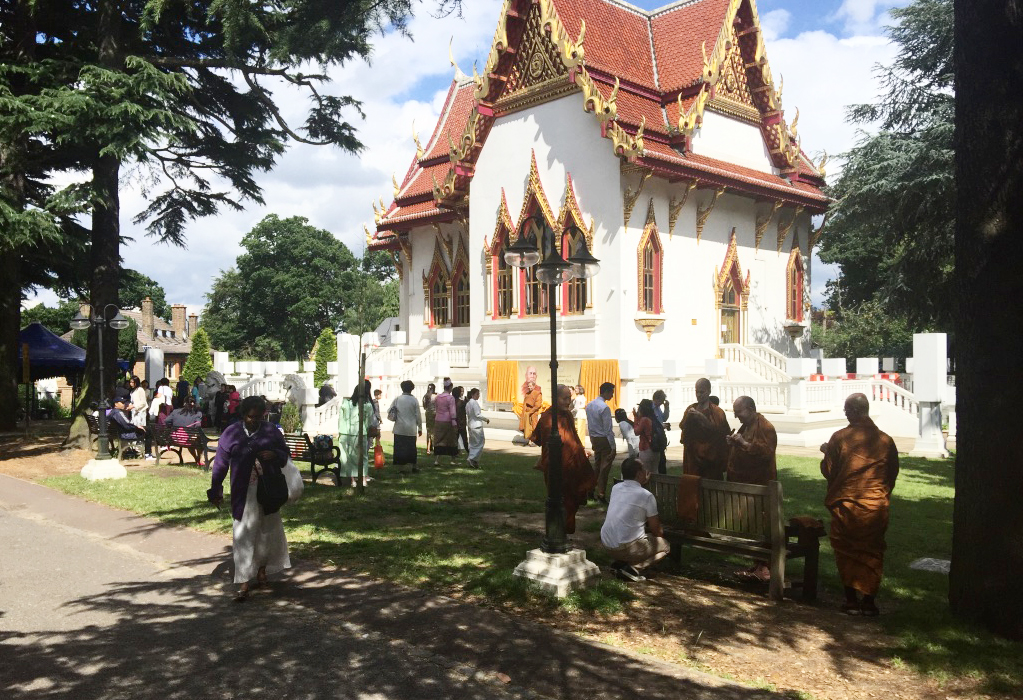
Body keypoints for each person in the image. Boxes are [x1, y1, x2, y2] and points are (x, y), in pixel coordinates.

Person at [820, 393, 899, 616]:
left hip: (846, 503)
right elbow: (891, 473)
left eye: (846, 410)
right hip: (874, 504)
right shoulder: (885, 440)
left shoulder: (840, 438)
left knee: (846, 551)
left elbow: (830, 471)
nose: (845, 414)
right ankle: (869, 602)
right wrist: (880, 494)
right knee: (872, 552)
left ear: (854, 411)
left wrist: (826, 453)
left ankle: (851, 600)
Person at [207, 395, 291, 601]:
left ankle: (262, 570)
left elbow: (285, 453)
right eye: (250, 417)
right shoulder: (231, 433)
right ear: (243, 415)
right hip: (243, 493)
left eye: (258, 417)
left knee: (266, 532)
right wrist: (216, 489)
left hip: (268, 491)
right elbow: (220, 464)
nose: (253, 421)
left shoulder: (270, 431)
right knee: (243, 534)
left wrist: (275, 455)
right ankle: (243, 580)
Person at [726, 395, 778, 582]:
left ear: (749, 408)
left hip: (761, 487)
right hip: (747, 486)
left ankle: (765, 567)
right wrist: (734, 443)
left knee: (762, 524)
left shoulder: (765, 427)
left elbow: (766, 453)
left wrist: (743, 443)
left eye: (738, 412)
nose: (736, 416)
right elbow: (744, 448)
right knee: (753, 525)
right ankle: (759, 564)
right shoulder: (747, 426)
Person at [531, 384, 596, 534]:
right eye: (564, 398)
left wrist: (579, 450)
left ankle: (564, 532)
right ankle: (557, 533)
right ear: (555, 398)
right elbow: (544, 441)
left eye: (569, 398)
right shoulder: (548, 418)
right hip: (557, 467)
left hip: (572, 465)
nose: (568, 401)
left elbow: (572, 436)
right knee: (559, 499)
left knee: (572, 499)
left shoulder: (567, 415)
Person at [600, 458, 671, 582]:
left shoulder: (615, 488)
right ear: (638, 474)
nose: (646, 471)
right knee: (665, 546)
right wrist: (659, 537)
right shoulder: (646, 496)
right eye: (643, 469)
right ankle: (633, 568)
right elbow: (656, 530)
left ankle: (622, 563)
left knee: (641, 538)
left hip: (607, 543)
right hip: (626, 548)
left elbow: (632, 491)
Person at [679, 378, 730, 479]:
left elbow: (722, 434)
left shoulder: (717, 412)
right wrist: (689, 418)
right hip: (692, 457)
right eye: (697, 392)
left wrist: (702, 418)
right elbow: (683, 428)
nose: (699, 395)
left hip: (711, 458)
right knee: (693, 487)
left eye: (702, 392)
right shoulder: (691, 409)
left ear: (709, 391)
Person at [338, 381, 378, 488]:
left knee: (347, 457)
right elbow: (368, 421)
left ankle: (352, 480)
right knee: (362, 456)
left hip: (344, 433)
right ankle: (363, 479)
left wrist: (340, 431)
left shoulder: (346, 403)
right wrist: (364, 429)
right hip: (359, 432)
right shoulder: (367, 405)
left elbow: (340, 419)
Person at [585, 382, 617, 503]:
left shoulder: (590, 405)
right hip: (604, 438)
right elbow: (608, 429)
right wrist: (613, 446)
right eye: (611, 393)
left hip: (594, 437)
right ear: (606, 392)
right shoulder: (604, 408)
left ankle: (591, 489)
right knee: (605, 467)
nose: (612, 396)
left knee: (597, 466)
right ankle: (601, 493)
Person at [388, 380, 422, 473]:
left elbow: (389, 410)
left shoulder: (397, 399)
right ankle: (414, 466)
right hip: (411, 429)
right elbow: (418, 415)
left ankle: (401, 468)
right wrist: (420, 428)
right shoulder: (414, 400)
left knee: (400, 448)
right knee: (411, 448)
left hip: (399, 428)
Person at [165, 395, 207, 466]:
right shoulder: (197, 413)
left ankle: (197, 459)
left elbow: (166, 421)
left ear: (184, 403)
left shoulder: (175, 412)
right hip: (188, 439)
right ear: (194, 403)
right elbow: (198, 426)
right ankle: (198, 459)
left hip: (176, 439)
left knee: (192, 440)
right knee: (198, 440)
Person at [432, 379, 459, 465]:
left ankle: (437, 459)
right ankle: (453, 459)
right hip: (448, 421)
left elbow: (436, 408)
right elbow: (452, 411)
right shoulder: (450, 398)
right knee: (452, 439)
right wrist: (454, 421)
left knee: (439, 439)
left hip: (438, 420)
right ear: (450, 387)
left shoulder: (438, 397)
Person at [634, 399, 662, 474]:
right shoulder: (654, 418)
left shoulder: (644, 420)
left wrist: (636, 419)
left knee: (646, 472)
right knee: (655, 471)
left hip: (646, 448)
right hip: (655, 448)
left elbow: (637, 432)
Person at [465, 388, 489, 468]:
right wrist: (486, 419)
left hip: (471, 425)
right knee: (479, 443)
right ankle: (472, 458)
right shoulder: (474, 403)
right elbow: (477, 414)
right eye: (477, 394)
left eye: (478, 394)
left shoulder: (468, 403)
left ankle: (473, 459)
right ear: (472, 395)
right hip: (476, 425)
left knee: (473, 443)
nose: (478, 396)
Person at [518, 366, 542, 441]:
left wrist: (530, 412)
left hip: (533, 413)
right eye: (528, 386)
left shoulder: (538, 393)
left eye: (531, 386)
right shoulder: (527, 394)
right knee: (527, 428)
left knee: (533, 427)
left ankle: (534, 441)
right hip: (527, 413)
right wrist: (525, 413)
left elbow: (538, 405)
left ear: (534, 386)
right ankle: (529, 440)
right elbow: (525, 404)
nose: (529, 387)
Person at [453, 386, 468, 455]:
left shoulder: (453, 402)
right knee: (464, 439)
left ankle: (455, 453)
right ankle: (468, 451)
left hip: (455, 423)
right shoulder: (461, 402)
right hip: (461, 423)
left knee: (455, 439)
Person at [423, 383, 437, 455]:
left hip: (429, 414)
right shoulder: (436, 396)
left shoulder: (426, 396)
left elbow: (424, 406)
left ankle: (429, 448)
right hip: (434, 414)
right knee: (433, 431)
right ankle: (433, 447)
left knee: (429, 431)